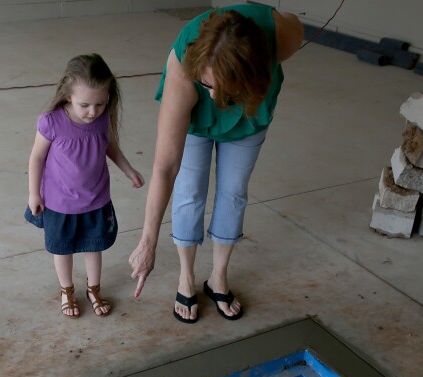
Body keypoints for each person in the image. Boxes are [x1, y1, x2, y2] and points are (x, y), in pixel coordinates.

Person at [128, 4, 303, 323]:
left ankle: (218, 278)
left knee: (234, 192)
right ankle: (186, 277)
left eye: (224, 89)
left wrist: (242, 90)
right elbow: (165, 167)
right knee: (189, 191)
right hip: (194, 120)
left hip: (249, 111)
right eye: (207, 85)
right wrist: (148, 241)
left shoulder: (282, 36)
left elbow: (293, 28)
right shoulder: (185, 66)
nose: (215, 97)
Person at [27, 53, 145, 318]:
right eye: (85, 105)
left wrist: (128, 169)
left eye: (100, 104)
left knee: (94, 246)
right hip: (60, 202)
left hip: (95, 198)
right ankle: (67, 290)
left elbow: (109, 146)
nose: (93, 112)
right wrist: (34, 193)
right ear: (68, 95)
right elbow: (37, 157)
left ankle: (94, 288)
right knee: (63, 248)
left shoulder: (102, 118)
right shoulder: (51, 122)